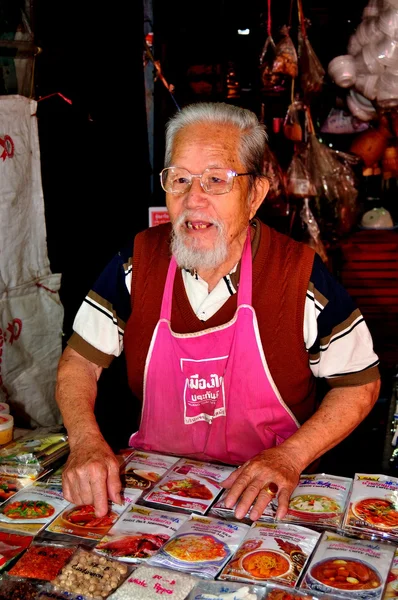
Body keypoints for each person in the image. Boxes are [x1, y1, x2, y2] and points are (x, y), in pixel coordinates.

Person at [56, 101, 381, 524]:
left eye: (216, 180)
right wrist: (84, 440)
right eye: (180, 179)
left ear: (255, 196)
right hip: (158, 494)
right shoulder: (136, 262)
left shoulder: (298, 274)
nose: (195, 200)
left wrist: (289, 457)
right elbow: (79, 360)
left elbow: (360, 384)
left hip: (267, 493)